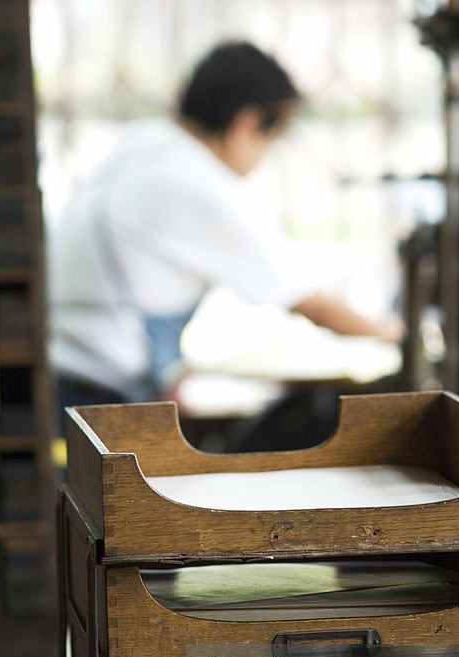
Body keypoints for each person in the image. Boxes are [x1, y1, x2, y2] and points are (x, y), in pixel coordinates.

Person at [48, 40, 401, 422]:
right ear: (246, 124)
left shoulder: (144, 143)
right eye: (272, 141)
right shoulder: (193, 181)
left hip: (62, 369)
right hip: (97, 395)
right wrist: (392, 335)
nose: (266, 157)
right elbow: (314, 303)